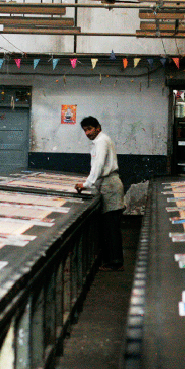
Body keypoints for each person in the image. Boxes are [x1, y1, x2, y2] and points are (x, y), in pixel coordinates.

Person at [74, 116, 125, 271]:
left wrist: (86, 184)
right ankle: (111, 260)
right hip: (105, 185)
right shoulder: (99, 141)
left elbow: (99, 165)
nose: (88, 133)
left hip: (110, 185)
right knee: (108, 226)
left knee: (111, 226)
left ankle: (115, 262)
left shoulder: (102, 141)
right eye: (85, 130)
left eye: (90, 129)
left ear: (98, 127)